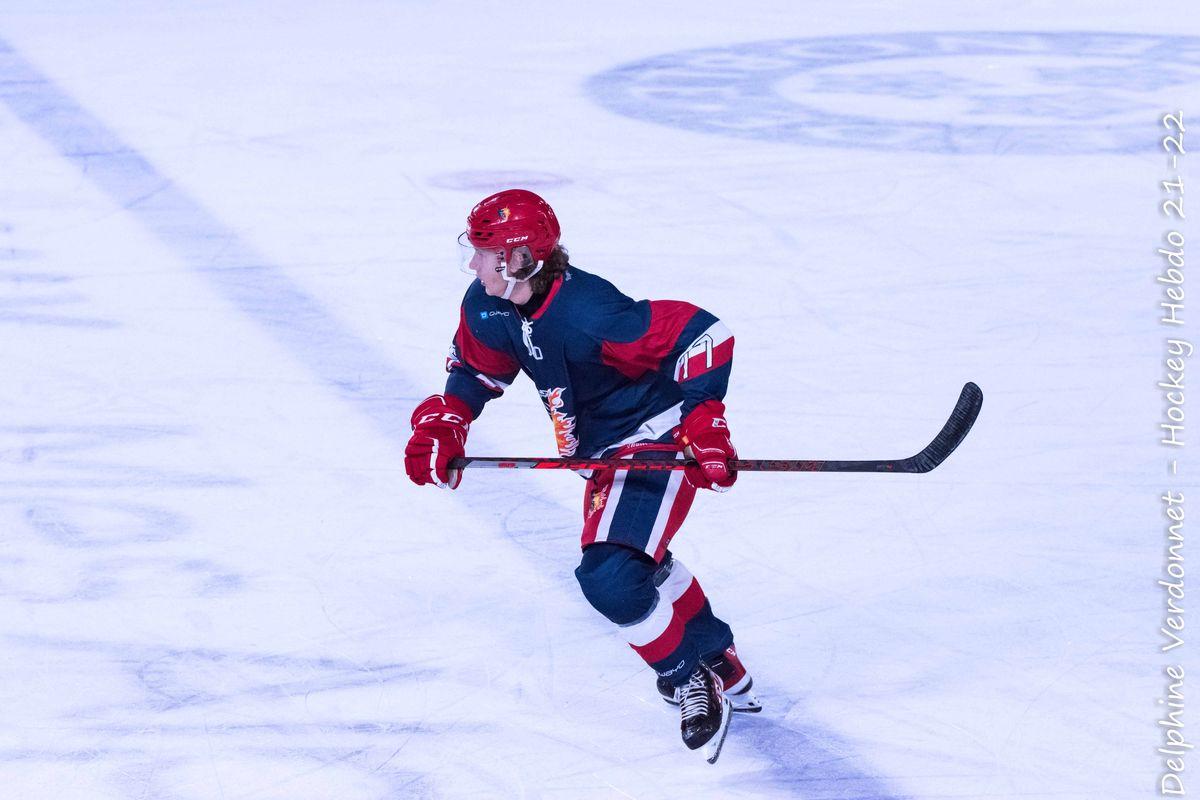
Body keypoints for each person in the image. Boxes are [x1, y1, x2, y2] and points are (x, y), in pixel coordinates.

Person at [404, 189, 759, 761]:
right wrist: (450, 420)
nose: (474, 263)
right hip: (603, 452)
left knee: (612, 577)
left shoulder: (591, 313)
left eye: (485, 251)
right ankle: (721, 658)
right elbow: (475, 371)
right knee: (642, 563)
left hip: (657, 440)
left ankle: (692, 676)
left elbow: (701, 335)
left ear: (520, 258)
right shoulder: (488, 305)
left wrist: (702, 414)